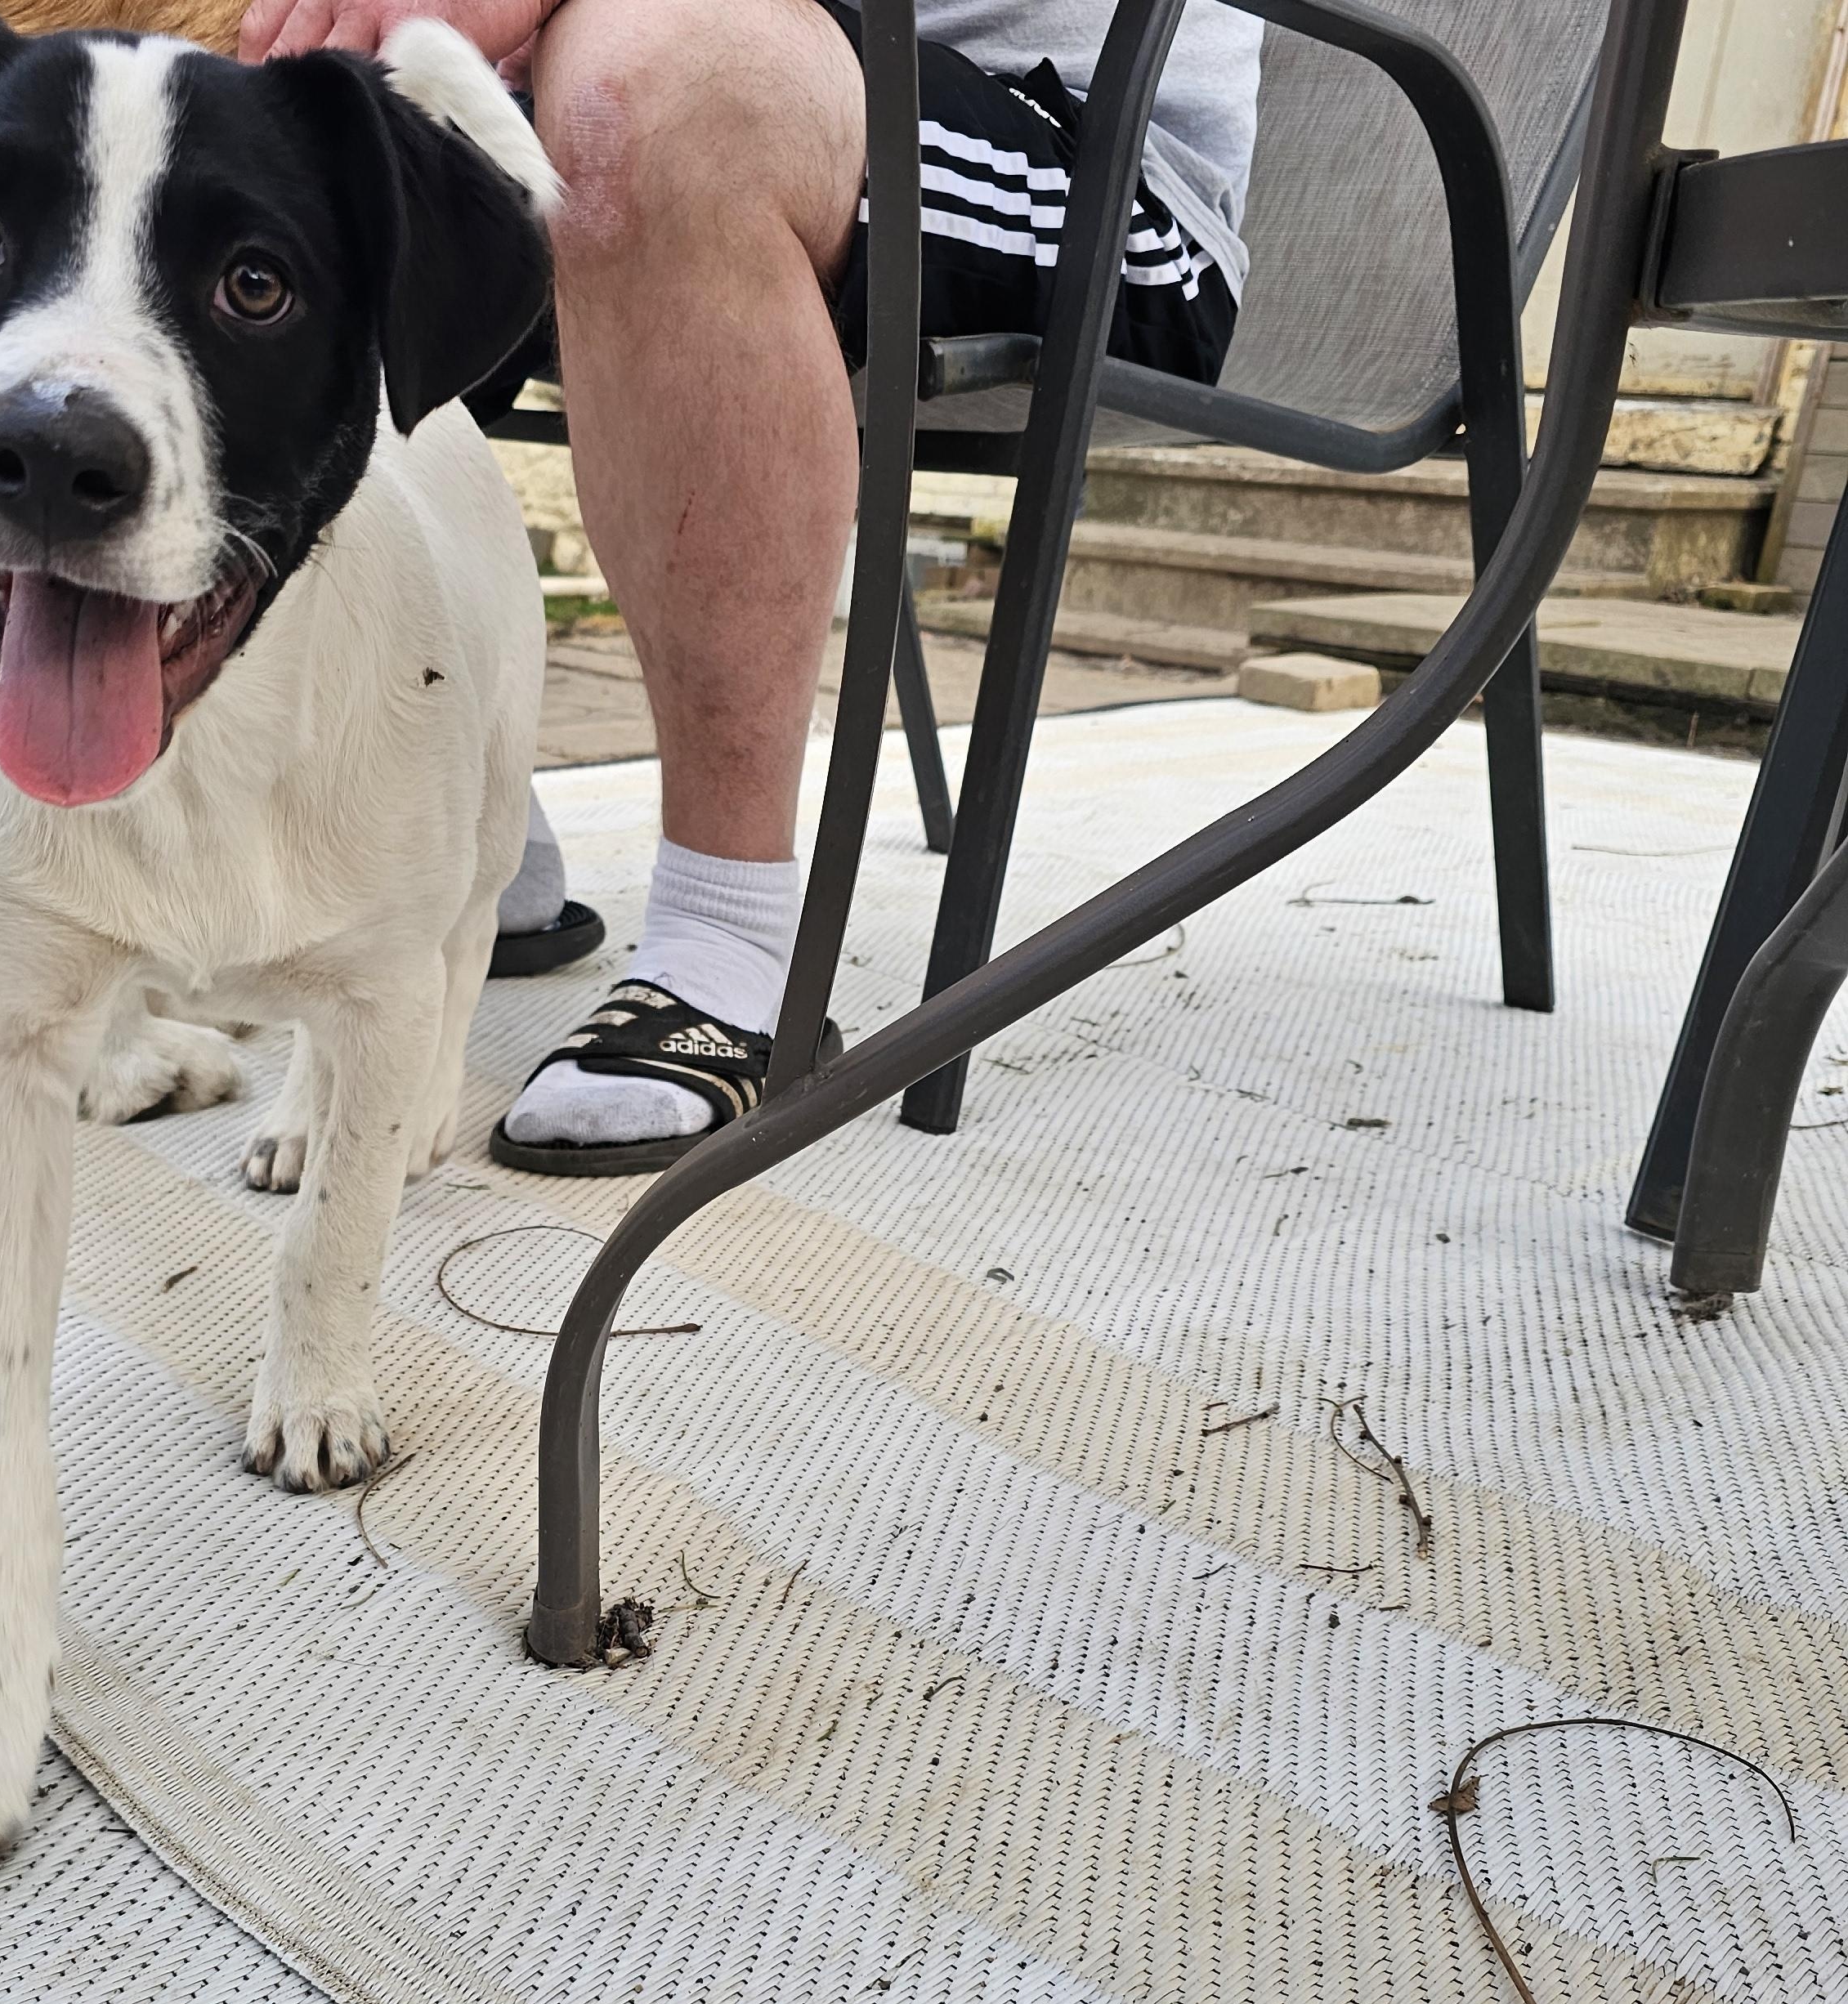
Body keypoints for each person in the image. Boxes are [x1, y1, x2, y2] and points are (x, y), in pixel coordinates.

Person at [241, 0, 1261, 1172]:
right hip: (757, 58)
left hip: (1092, 158)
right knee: (315, 128)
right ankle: (467, 828)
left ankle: (726, 936)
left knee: (646, 92)